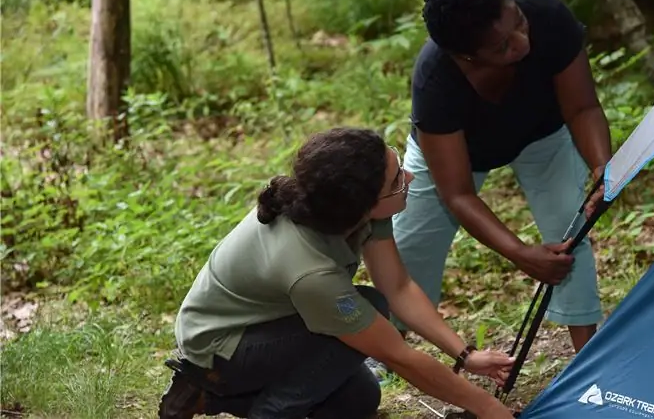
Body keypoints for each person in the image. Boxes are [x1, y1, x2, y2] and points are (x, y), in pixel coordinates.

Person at [158, 127, 517, 419]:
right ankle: (262, 409)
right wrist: (487, 408)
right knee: (370, 307)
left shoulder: (349, 211)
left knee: (357, 399)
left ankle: (210, 398)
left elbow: (399, 286)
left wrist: (465, 355)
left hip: (275, 325)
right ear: (362, 204)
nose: (408, 175)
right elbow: (397, 354)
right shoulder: (310, 271)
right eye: (396, 179)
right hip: (221, 345)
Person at [375, 0, 612, 378]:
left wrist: (603, 166)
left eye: (518, 22)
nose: (522, 42)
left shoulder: (549, 18)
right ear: (466, 55)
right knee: (411, 246)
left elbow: (583, 108)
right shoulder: (437, 82)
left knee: (568, 228)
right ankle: (386, 350)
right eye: (502, 46)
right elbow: (459, 195)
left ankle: (588, 358)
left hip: (544, 133)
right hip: (457, 154)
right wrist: (520, 254)